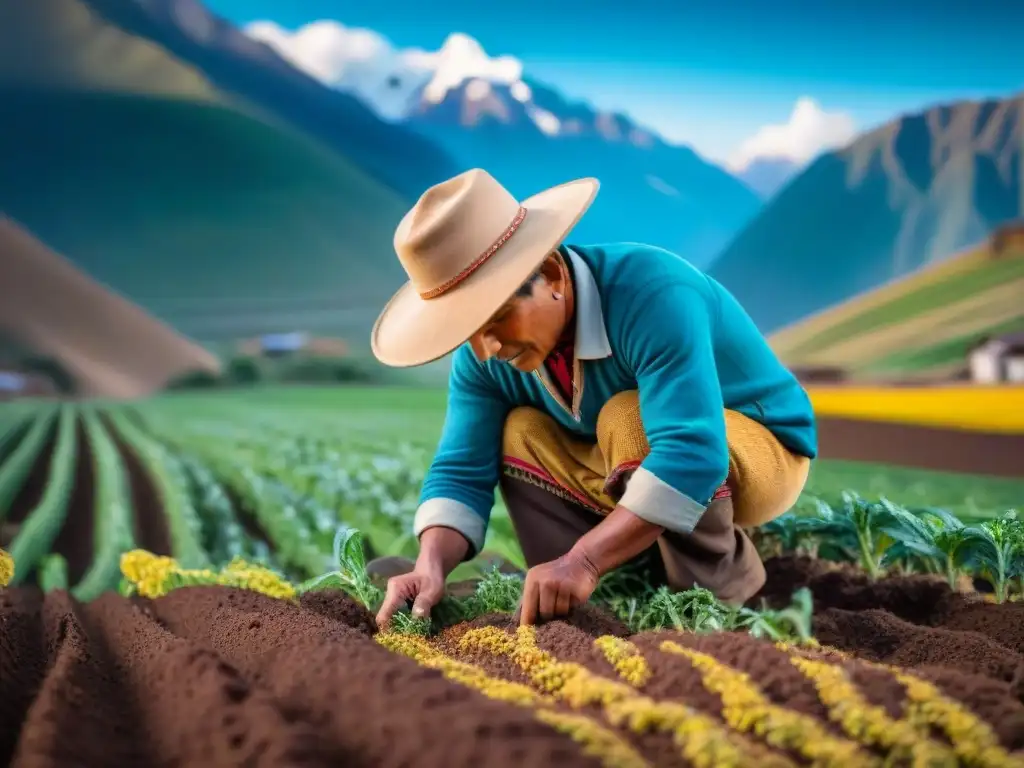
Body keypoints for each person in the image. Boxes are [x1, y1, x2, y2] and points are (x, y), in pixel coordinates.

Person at [369, 168, 817, 629]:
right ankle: (608, 585)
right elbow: (461, 467)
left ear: (549, 274)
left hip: (759, 449)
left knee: (627, 415)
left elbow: (693, 451)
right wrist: (431, 564)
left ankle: (718, 598)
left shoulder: (653, 294)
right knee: (518, 430)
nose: (488, 350)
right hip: (631, 456)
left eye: (496, 318)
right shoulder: (484, 357)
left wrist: (583, 560)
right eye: (468, 333)